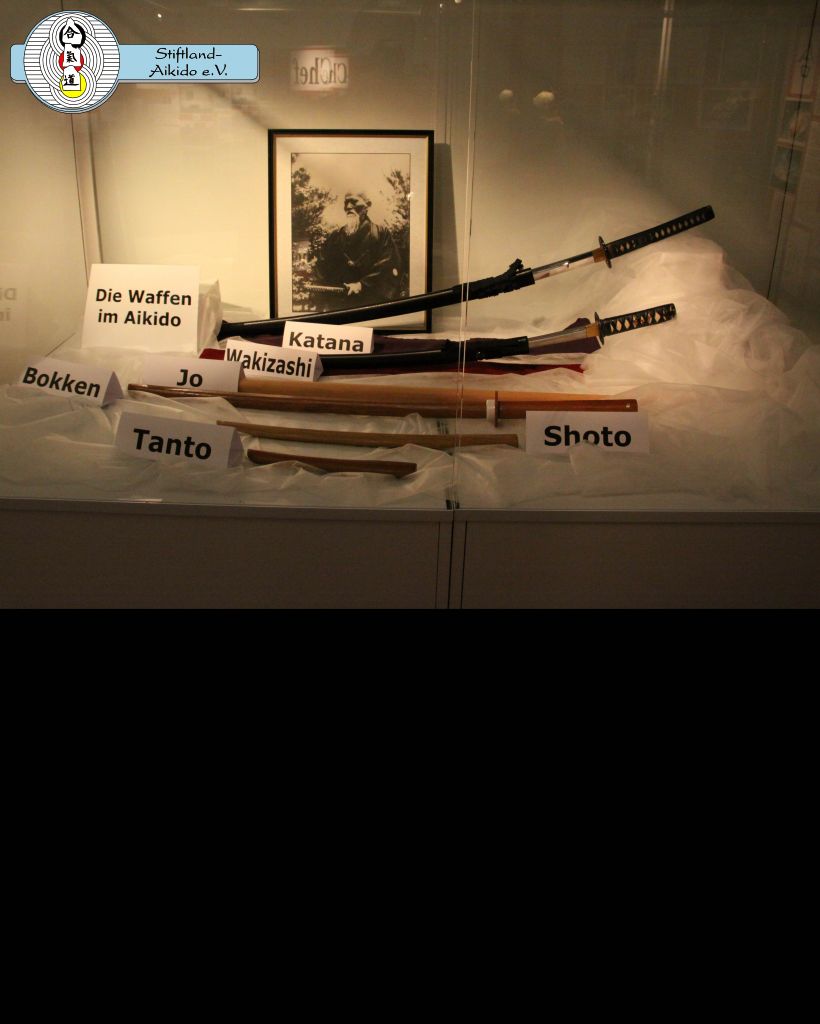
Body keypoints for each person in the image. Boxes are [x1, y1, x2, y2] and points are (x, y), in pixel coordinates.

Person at [312, 192, 403, 311]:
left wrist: (361, 285)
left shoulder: (381, 234)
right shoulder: (336, 236)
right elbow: (323, 265)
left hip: (370, 300)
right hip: (340, 300)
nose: (348, 207)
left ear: (367, 207)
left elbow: (387, 263)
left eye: (354, 202)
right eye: (346, 203)